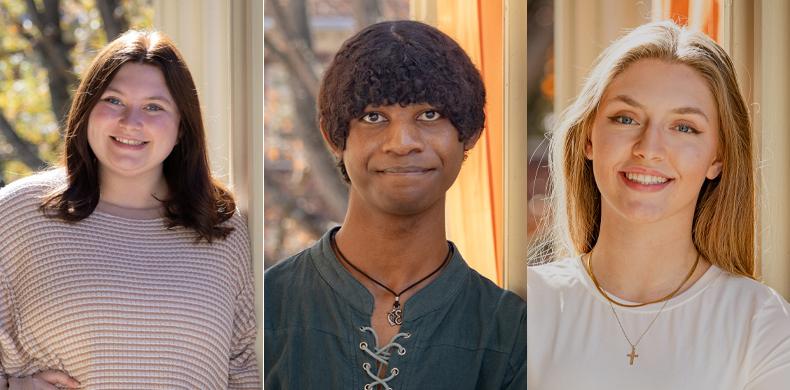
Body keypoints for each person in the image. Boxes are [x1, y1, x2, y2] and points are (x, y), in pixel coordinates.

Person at [264, 20, 526, 389]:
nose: (402, 142)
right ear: (333, 136)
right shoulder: (263, 309)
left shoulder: (510, 330)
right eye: (374, 117)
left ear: (469, 132)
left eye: (429, 114)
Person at [528, 20, 790, 388]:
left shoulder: (762, 325)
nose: (649, 148)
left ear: (718, 157)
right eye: (626, 118)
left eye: (684, 127)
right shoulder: (521, 308)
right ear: (589, 138)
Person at [0, 30, 260, 389]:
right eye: (113, 101)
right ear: (87, 111)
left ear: (182, 126)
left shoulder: (221, 229)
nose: (130, 122)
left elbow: (246, 369)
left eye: (154, 107)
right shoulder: (19, 214)